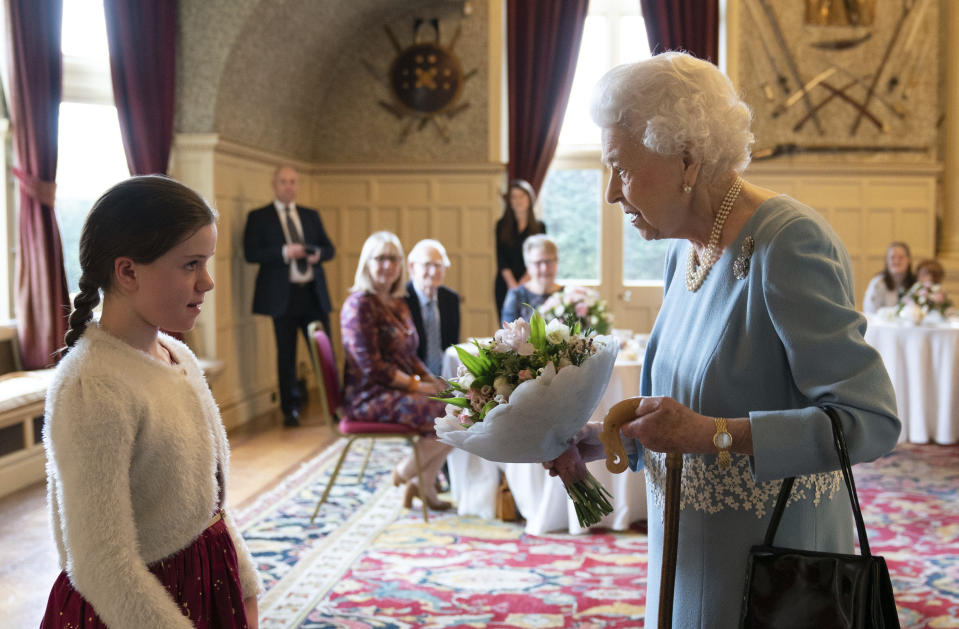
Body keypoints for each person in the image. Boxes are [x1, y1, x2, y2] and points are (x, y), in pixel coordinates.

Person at [546, 52, 899, 627]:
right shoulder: (683, 248)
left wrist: (713, 436)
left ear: (686, 159)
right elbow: (686, 412)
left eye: (622, 168)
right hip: (683, 557)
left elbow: (869, 421)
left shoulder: (788, 242)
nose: (611, 193)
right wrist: (595, 437)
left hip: (773, 575)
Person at [40, 176, 261, 628]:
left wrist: (246, 587)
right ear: (127, 271)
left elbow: (210, 504)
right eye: (190, 265)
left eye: (207, 262)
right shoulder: (92, 387)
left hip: (205, 579)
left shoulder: (176, 355)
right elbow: (101, 564)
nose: (208, 281)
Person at [341, 231, 454, 511]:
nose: (388, 265)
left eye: (393, 258)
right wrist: (419, 387)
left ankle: (423, 485)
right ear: (367, 263)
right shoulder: (359, 305)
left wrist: (432, 380)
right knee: (449, 414)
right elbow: (373, 367)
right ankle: (404, 473)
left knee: (461, 404)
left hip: (395, 389)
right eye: (380, 258)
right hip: (369, 397)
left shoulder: (397, 302)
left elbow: (409, 354)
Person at [244, 165, 335, 427]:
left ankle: (334, 405)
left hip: (313, 293)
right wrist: (285, 252)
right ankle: (290, 409)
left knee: (323, 352)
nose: (289, 186)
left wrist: (317, 254)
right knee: (286, 355)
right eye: (284, 182)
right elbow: (251, 253)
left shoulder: (310, 215)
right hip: (282, 297)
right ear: (274, 184)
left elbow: (329, 249)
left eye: (293, 182)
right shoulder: (259, 216)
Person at [404, 238, 461, 376]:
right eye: (427, 264)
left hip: (446, 378)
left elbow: (452, 345)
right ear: (412, 267)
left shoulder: (451, 299)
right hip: (411, 377)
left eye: (439, 265)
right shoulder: (401, 299)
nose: (434, 271)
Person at [495, 179, 546, 321]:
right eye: (514, 197)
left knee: (531, 326)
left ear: (529, 199)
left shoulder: (540, 227)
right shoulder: (501, 225)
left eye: (521, 196)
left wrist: (522, 283)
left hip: (532, 282)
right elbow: (500, 258)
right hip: (505, 284)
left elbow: (540, 258)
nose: (518, 201)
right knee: (507, 327)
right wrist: (513, 286)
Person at [501, 234, 561, 323]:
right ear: (528, 266)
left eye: (549, 261)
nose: (544, 268)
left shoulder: (568, 296)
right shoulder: (516, 296)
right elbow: (507, 334)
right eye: (538, 262)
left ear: (556, 262)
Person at [863, 241, 916, 314]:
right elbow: (870, 311)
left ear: (909, 260)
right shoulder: (878, 283)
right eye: (892, 257)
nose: (896, 261)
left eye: (901, 257)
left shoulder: (916, 283)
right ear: (887, 261)